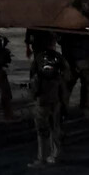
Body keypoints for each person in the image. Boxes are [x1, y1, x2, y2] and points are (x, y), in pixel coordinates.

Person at [28, 31, 71, 167]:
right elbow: (67, 76)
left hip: (42, 100)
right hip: (56, 99)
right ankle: (56, 155)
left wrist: (34, 96)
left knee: (42, 130)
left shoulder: (39, 58)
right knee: (55, 128)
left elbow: (33, 79)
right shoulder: (59, 58)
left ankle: (42, 158)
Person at [59, 32, 89, 119]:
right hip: (86, 62)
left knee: (68, 88)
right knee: (87, 88)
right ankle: (85, 110)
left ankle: (62, 111)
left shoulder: (69, 31)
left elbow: (62, 42)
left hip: (74, 61)